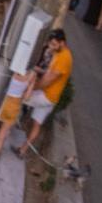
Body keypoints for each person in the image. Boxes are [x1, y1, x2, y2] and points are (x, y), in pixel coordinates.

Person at [15, 29, 73, 157]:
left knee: (18, 97)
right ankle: (22, 150)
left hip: (46, 95)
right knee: (37, 124)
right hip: (52, 98)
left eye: (53, 44)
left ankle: (5, 126)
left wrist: (31, 87)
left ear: (62, 42)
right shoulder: (60, 52)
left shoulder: (64, 58)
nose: (50, 46)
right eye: (50, 43)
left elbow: (47, 81)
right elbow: (47, 73)